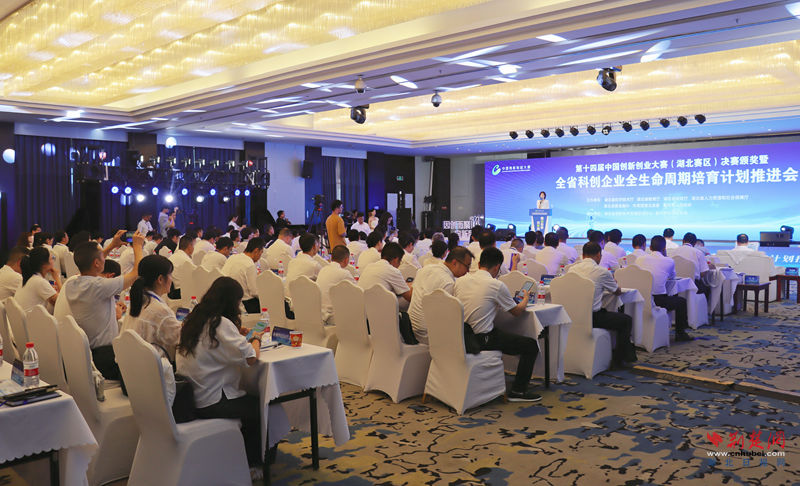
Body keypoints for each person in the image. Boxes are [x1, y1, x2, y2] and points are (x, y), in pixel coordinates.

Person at [176, 277, 265, 477]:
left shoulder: (196, 318)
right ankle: (254, 464)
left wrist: (236, 332)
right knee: (261, 405)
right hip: (211, 400)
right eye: (238, 302)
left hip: (191, 395)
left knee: (251, 401)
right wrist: (256, 338)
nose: (239, 307)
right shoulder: (220, 324)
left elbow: (216, 345)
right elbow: (251, 357)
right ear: (231, 302)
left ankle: (240, 454)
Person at [454, 247, 541, 402]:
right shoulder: (495, 285)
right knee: (530, 345)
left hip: (462, 335)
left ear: (479, 264)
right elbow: (516, 311)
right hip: (482, 340)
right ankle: (519, 391)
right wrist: (525, 299)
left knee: (499, 331)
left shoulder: (460, 281)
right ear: (497, 267)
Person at [66, 230, 144, 380]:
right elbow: (136, 274)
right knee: (146, 364)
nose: (104, 257)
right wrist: (138, 246)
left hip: (88, 354)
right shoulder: (99, 286)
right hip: (106, 358)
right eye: (102, 256)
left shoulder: (72, 283)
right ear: (97, 263)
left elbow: (90, 262)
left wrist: (112, 246)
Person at [567, 242, 638, 367]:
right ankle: (618, 359)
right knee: (626, 320)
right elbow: (617, 292)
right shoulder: (602, 272)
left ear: (583, 255)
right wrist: (614, 282)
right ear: (599, 255)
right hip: (593, 317)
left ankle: (626, 355)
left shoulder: (571, 270)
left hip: (573, 315)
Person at [408, 246, 473, 344]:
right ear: (455, 263)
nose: (468, 271)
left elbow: (412, 294)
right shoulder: (447, 282)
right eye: (467, 266)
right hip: (427, 334)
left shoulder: (425, 269)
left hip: (410, 327)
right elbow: (444, 317)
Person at [124, 255, 181, 359]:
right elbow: (181, 340)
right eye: (170, 275)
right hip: (154, 366)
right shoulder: (160, 311)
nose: (171, 279)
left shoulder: (137, 301)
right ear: (160, 279)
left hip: (132, 364)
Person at [636, 236, 692, 342]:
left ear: (650, 247)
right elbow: (672, 277)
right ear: (664, 248)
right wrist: (665, 256)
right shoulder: (669, 261)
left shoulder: (639, 259)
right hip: (659, 300)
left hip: (641, 298)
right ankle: (680, 333)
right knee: (681, 302)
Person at [221, 237, 264, 314]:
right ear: (256, 251)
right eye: (261, 252)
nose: (260, 256)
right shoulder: (249, 264)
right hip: (244, 303)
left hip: (225, 300)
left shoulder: (232, 257)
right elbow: (254, 291)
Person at [316, 245, 356, 325]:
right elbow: (357, 293)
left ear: (331, 257)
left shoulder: (323, 269)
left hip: (318, 313)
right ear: (346, 260)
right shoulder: (344, 273)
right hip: (331, 317)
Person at [15, 247, 59, 312]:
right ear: (44, 265)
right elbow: (62, 301)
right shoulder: (39, 281)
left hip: (23, 317)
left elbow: (53, 301)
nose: (53, 260)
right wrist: (57, 278)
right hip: (31, 318)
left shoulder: (29, 278)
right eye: (51, 258)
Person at [674, 232, 712, 297]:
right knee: (708, 289)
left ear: (683, 241)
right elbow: (703, 273)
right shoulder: (698, 252)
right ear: (694, 243)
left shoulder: (674, 251)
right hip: (693, 285)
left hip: (675, 285)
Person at [285, 234, 322, 298]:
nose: (319, 246)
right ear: (314, 247)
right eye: (318, 244)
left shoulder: (292, 262)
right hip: (302, 300)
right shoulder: (314, 265)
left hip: (288, 298)